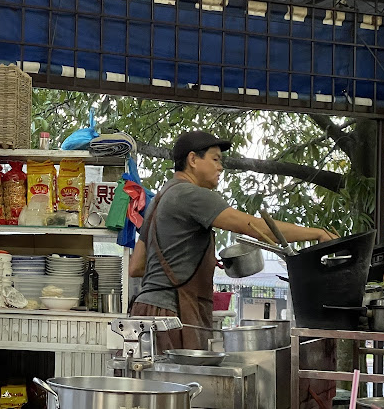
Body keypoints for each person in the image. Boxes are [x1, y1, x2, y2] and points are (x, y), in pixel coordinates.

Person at [128, 130, 337, 352]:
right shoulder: (191, 195)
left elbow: (137, 266)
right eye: (215, 159)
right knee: (179, 375)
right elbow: (257, 228)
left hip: (144, 312)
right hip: (171, 316)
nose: (221, 168)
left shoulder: (158, 200)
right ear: (193, 160)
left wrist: (185, 262)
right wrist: (317, 234)